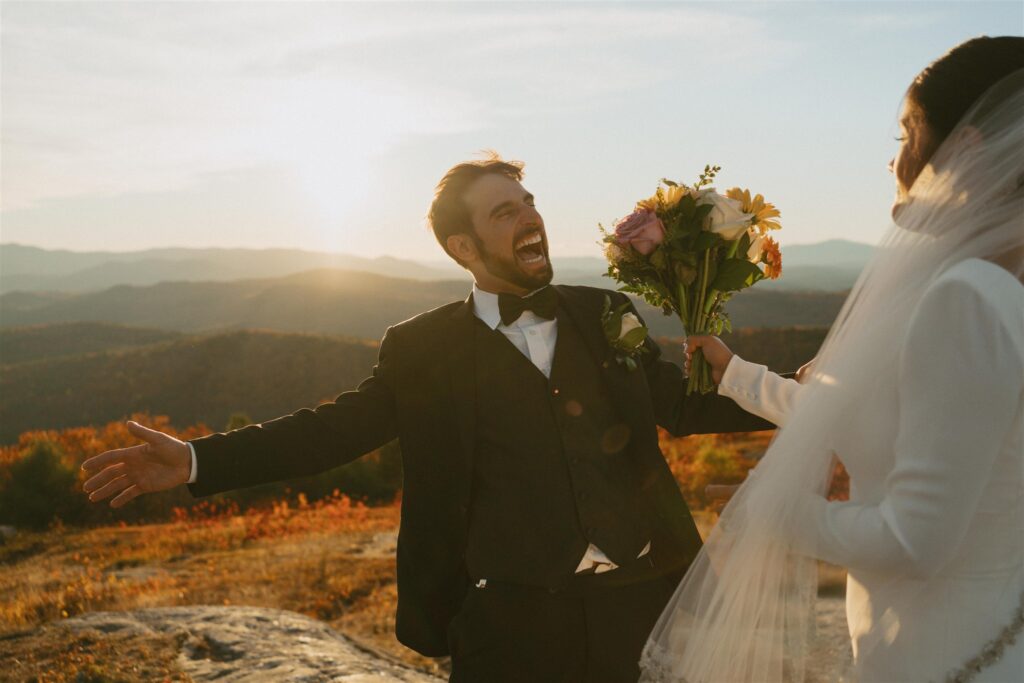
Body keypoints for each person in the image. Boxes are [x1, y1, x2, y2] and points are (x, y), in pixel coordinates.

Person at [81, 154, 775, 682]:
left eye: (528, 201)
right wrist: (199, 459)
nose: (529, 215)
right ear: (463, 248)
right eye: (504, 212)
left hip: (643, 604)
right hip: (510, 627)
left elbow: (681, 403)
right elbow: (331, 431)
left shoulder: (605, 314)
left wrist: (792, 395)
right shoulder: (422, 349)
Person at [640, 37, 1024, 683]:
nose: (894, 160)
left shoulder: (963, 298)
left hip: (948, 656)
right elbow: (870, 409)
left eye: (907, 133)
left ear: (964, 151)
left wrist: (772, 512)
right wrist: (736, 373)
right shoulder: (983, 281)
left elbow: (914, 540)